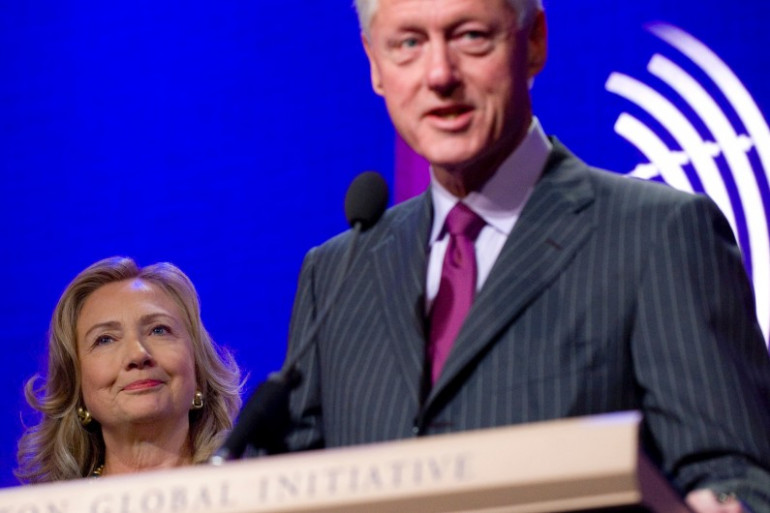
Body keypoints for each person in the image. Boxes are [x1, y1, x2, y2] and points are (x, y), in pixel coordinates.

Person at [282, 0, 770, 511]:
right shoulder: (336, 274)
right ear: (374, 64)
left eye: (470, 36)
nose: (440, 74)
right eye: (408, 43)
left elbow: (737, 476)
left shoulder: (658, 234)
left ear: (533, 40)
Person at [15, 256, 242, 482]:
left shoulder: (251, 490)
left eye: (159, 330)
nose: (138, 354)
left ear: (198, 370)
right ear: (77, 387)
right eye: (105, 339)